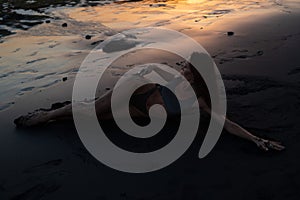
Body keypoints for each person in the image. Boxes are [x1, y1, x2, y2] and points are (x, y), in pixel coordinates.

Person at [14, 53, 285, 152]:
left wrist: (256, 140)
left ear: (197, 76)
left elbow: (227, 125)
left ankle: (55, 116)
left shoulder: (199, 101)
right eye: (185, 66)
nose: (183, 68)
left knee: (90, 118)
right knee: (92, 110)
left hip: (137, 113)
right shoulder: (170, 74)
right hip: (134, 90)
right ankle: (41, 117)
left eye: (188, 68)